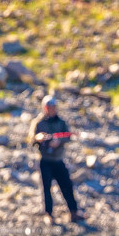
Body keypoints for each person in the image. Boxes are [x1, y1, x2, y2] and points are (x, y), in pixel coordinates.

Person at [32, 95, 81, 224]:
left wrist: (58, 141)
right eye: (49, 107)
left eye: (53, 107)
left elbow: (68, 136)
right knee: (46, 188)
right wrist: (39, 138)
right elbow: (32, 138)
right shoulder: (39, 122)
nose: (51, 109)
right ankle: (48, 214)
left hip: (58, 160)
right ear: (44, 108)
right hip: (45, 160)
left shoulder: (61, 122)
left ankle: (74, 212)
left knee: (67, 186)